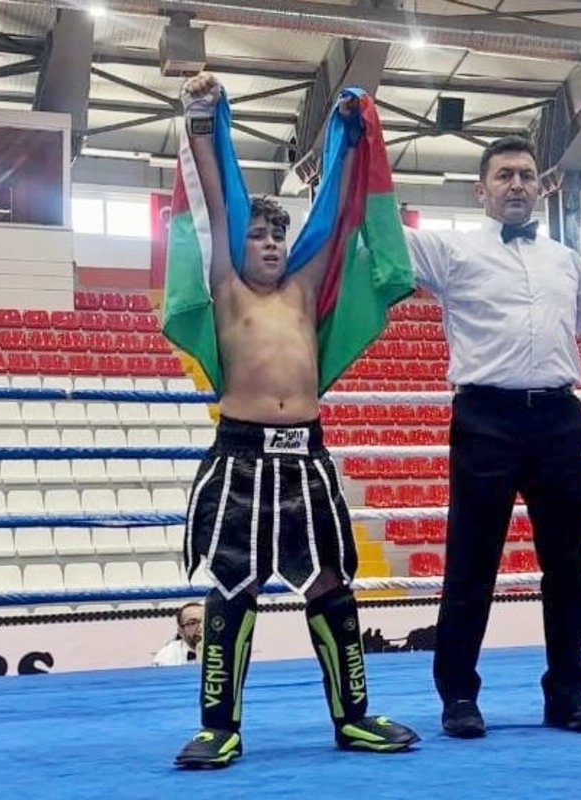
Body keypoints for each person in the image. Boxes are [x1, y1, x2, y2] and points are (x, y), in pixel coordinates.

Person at [172, 73, 418, 769]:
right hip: (241, 456)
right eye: (259, 235)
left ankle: (354, 719)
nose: (272, 244)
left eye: (279, 234)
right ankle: (219, 727)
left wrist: (349, 137)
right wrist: (201, 118)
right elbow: (213, 201)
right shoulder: (227, 287)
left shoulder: (305, 291)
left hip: (307, 456)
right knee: (232, 587)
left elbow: (335, 217)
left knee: (331, 584)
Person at [404, 135, 581, 738]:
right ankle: (458, 698)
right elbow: (376, 230)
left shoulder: (566, 260)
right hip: (484, 418)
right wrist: (355, 149)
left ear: (542, 187)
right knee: (471, 565)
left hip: (558, 419)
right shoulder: (449, 249)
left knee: (567, 566)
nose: (517, 184)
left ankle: (568, 696)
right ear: (481, 189)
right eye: (504, 175)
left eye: (526, 174)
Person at [152, 601, 204, 667]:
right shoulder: (167, 655)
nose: (201, 627)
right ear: (181, 631)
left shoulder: (217, 646)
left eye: (205, 621)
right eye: (192, 623)